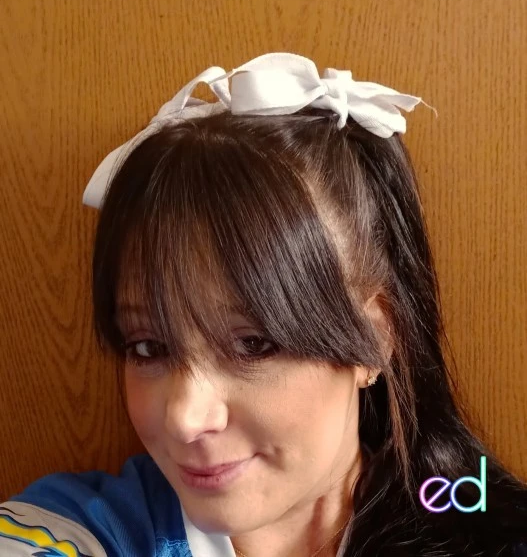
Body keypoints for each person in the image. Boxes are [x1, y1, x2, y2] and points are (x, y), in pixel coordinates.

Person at [1, 52, 526, 556]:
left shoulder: (480, 525)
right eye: (147, 347)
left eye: (253, 344)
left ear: (375, 335)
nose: (185, 418)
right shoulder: (85, 527)